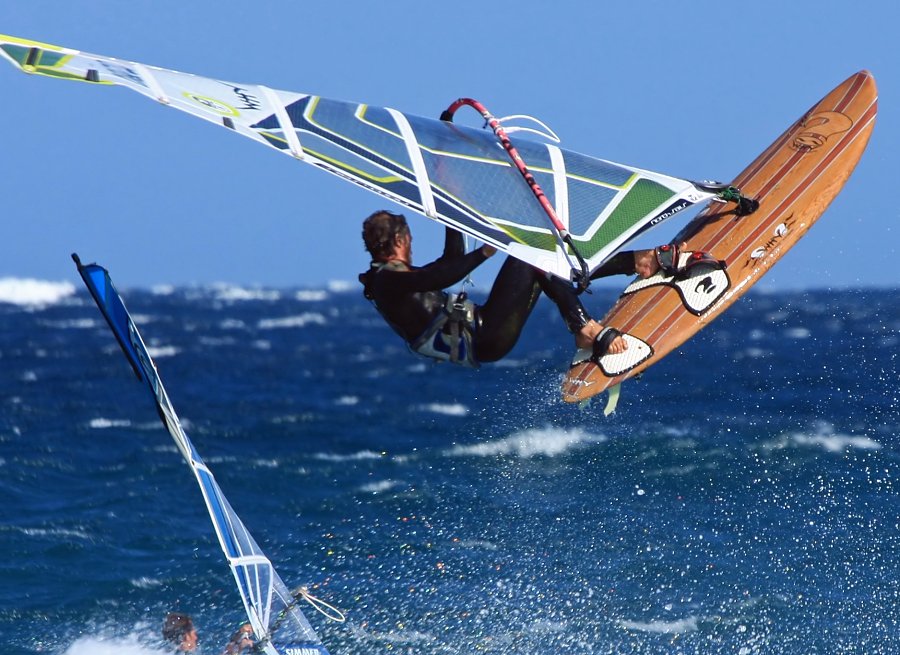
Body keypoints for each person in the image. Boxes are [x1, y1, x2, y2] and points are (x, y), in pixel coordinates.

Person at [358, 210, 672, 367]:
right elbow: (436, 279)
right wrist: (485, 252)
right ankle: (586, 328)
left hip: (483, 329)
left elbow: (450, 262)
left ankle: (637, 263)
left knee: (543, 259)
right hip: (485, 337)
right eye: (410, 240)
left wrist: (450, 211)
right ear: (401, 240)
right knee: (531, 257)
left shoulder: (391, 277)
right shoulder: (388, 281)